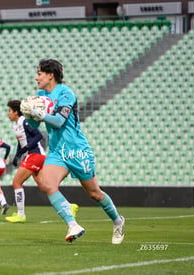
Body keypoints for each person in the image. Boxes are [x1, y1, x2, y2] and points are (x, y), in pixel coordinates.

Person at [21, 59, 125, 244]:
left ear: (50, 75)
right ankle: (72, 225)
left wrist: (40, 114)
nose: (36, 77)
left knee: (94, 193)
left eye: (39, 73)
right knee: (48, 185)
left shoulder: (66, 93)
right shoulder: (41, 94)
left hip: (77, 150)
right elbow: (36, 124)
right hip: (56, 151)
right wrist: (28, 114)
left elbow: (59, 121)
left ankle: (118, 221)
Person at [5, 100, 79, 223]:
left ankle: (21, 214)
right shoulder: (16, 125)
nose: (8, 114)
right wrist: (17, 156)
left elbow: (38, 136)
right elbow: (21, 143)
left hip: (35, 155)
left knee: (16, 182)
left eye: (9, 111)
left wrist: (27, 148)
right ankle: (69, 206)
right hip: (35, 156)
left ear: (16, 112)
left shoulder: (24, 121)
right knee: (44, 186)